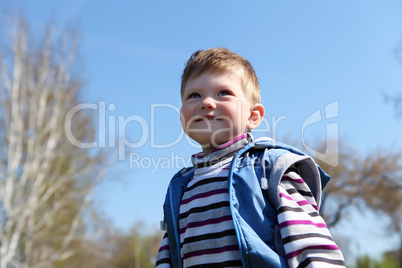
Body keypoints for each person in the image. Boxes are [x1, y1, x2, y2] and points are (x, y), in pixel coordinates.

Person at [156, 48, 345, 268]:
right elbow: (168, 257)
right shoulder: (180, 188)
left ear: (253, 116)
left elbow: (311, 248)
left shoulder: (269, 169)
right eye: (194, 95)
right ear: (182, 116)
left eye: (223, 92)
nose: (206, 102)